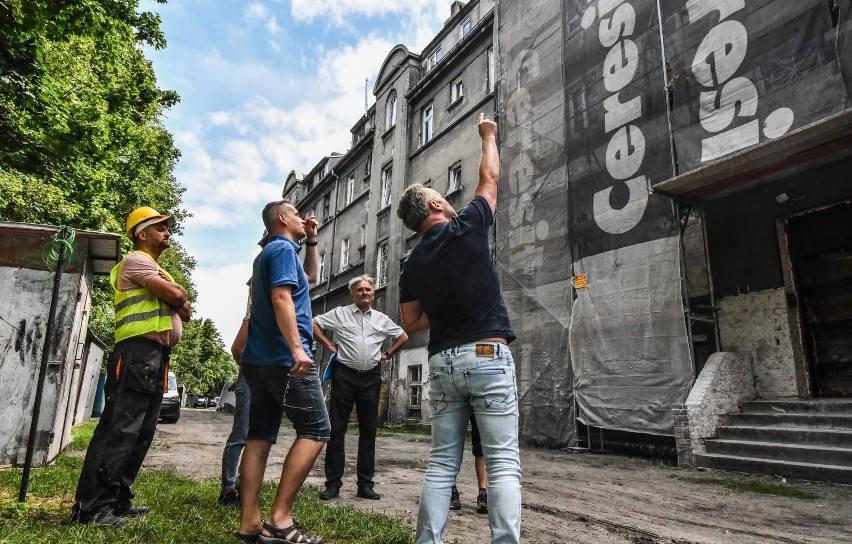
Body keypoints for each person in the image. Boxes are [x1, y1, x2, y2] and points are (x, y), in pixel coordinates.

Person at [397, 113, 521, 544]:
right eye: (440, 194)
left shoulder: (411, 265)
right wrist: (488, 135)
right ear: (434, 206)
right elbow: (490, 176)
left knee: (440, 463)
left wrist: (444, 306)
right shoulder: (466, 225)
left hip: (443, 364)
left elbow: (411, 322)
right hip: (486, 356)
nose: (447, 198)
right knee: (503, 463)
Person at [71, 206, 191, 526]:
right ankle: (93, 508)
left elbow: (185, 306)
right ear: (142, 233)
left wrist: (178, 298)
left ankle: (118, 499)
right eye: (161, 228)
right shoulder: (136, 260)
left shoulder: (154, 267)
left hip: (154, 357)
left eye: (168, 228)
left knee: (141, 431)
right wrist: (177, 296)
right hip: (136, 353)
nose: (168, 232)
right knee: (119, 429)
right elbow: (177, 295)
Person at [236, 200, 329, 544]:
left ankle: (249, 523)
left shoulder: (271, 253)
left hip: (258, 360)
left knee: (259, 437)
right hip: (283, 359)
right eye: (296, 213)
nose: (302, 218)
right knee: (317, 429)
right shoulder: (282, 251)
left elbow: (310, 278)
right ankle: (279, 519)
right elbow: (280, 297)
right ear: (281, 218)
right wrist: (297, 348)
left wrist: (314, 240)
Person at [313, 276, 409, 501]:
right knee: (337, 430)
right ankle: (333, 485)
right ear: (352, 294)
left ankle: (365, 485)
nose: (365, 293)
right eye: (360, 290)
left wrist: (388, 354)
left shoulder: (382, 319)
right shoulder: (339, 314)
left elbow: (402, 336)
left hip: (371, 379)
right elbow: (314, 323)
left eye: (368, 289)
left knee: (369, 432)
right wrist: (329, 345)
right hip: (344, 376)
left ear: (373, 294)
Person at [218, 230, 269, 508]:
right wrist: (249, 373)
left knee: (259, 436)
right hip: (252, 379)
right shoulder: (254, 315)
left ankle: (245, 487)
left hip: (268, 380)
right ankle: (228, 488)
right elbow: (237, 349)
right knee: (242, 434)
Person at [449, 414, 488, 514]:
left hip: (479, 401)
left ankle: (482, 494)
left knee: (481, 447)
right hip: (456, 400)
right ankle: (451, 490)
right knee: (451, 444)